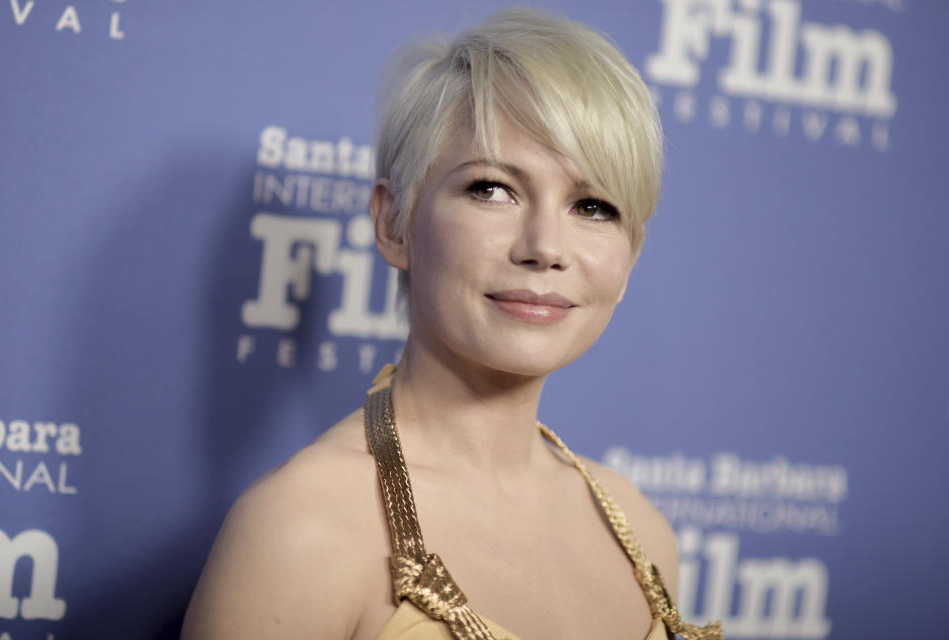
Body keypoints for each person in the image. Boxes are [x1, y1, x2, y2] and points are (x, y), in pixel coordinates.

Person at [183, 7, 722, 640]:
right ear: (394, 223)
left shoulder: (642, 533)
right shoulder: (301, 529)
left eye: (593, 205)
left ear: (629, 258)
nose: (545, 245)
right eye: (492, 189)